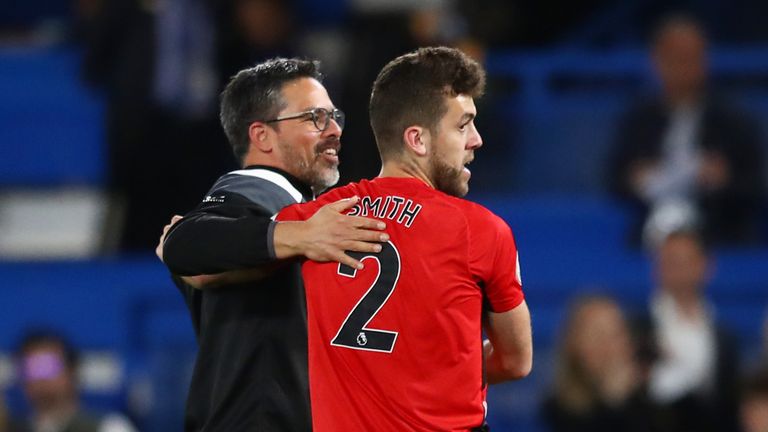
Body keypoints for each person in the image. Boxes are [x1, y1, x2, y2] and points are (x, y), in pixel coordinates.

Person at [275, 46, 532, 431]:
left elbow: (201, 267)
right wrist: (440, 369)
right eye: (463, 125)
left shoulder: (313, 219)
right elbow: (516, 361)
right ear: (417, 139)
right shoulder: (480, 230)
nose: (476, 139)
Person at [160, 58, 386, 431]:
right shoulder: (252, 191)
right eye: (315, 118)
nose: (334, 131)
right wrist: (300, 235)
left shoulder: (300, 208)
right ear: (261, 136)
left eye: (334, 117)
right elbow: (184, 243)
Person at [608, 14, 764, 248]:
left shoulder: (734, 121)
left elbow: (756, 185)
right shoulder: (638, 120)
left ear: (705, 60)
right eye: (674, 58)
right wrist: (636, 179)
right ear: (656, 61)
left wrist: (722, 179)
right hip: (651, 237)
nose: (683, 67)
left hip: (720, 235)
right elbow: (614, 180)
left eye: (690, 58)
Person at [633, 228, 740, 432]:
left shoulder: (725, 337)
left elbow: (728, 405)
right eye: (670, 261)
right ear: (656, 268)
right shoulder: (636, 329)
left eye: (686, 261)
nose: (679, 270)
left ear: (707, 266)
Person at [541, 295, 649, 432]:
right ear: (575, 345)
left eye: (615, 335)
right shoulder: (557, 408)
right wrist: (614, 402)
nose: (608, 347)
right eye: (597, 335)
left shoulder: (653, 397)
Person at [15, 330, 136, 432]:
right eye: (32, 370)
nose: (41, 379)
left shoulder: (109, 427)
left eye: (48, 367)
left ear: (72, 371)